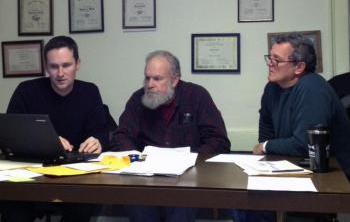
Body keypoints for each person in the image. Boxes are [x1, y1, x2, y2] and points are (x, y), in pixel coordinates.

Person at [235, 33, 350, 222]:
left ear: (299, 67)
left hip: (328, 175)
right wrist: (267, 146)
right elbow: (266, 135)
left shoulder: (312, 87)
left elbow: (305, 144)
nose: (270, 63)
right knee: (245, 201)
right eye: (270, 58)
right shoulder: (271, 88)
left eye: (277, 60)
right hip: (290, 166)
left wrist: (266, 146)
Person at [112, 50, 231, 222]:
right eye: (147, 78)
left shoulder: (196, 96)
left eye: (157, 78)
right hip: (145, 178)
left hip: (186, 178)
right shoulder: (138, 99)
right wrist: (137, 160)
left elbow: (218, 141)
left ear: (175, 80)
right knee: (136, 202)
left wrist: (191, 161)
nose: (150, 84)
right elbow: (121, 136)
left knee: (181, 203)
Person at [1, 35, 110, 222]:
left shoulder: (90, 92)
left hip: (75, 174)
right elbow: (10, 133)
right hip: (32, 173)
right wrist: (46, 140)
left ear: (78, 64)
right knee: (12, 205)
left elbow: (102, 130)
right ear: (46, 67)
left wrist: (97, 140)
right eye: (54, 66)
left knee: (83, 205)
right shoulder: (26, 91)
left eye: (66, 65)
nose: (60, 73)